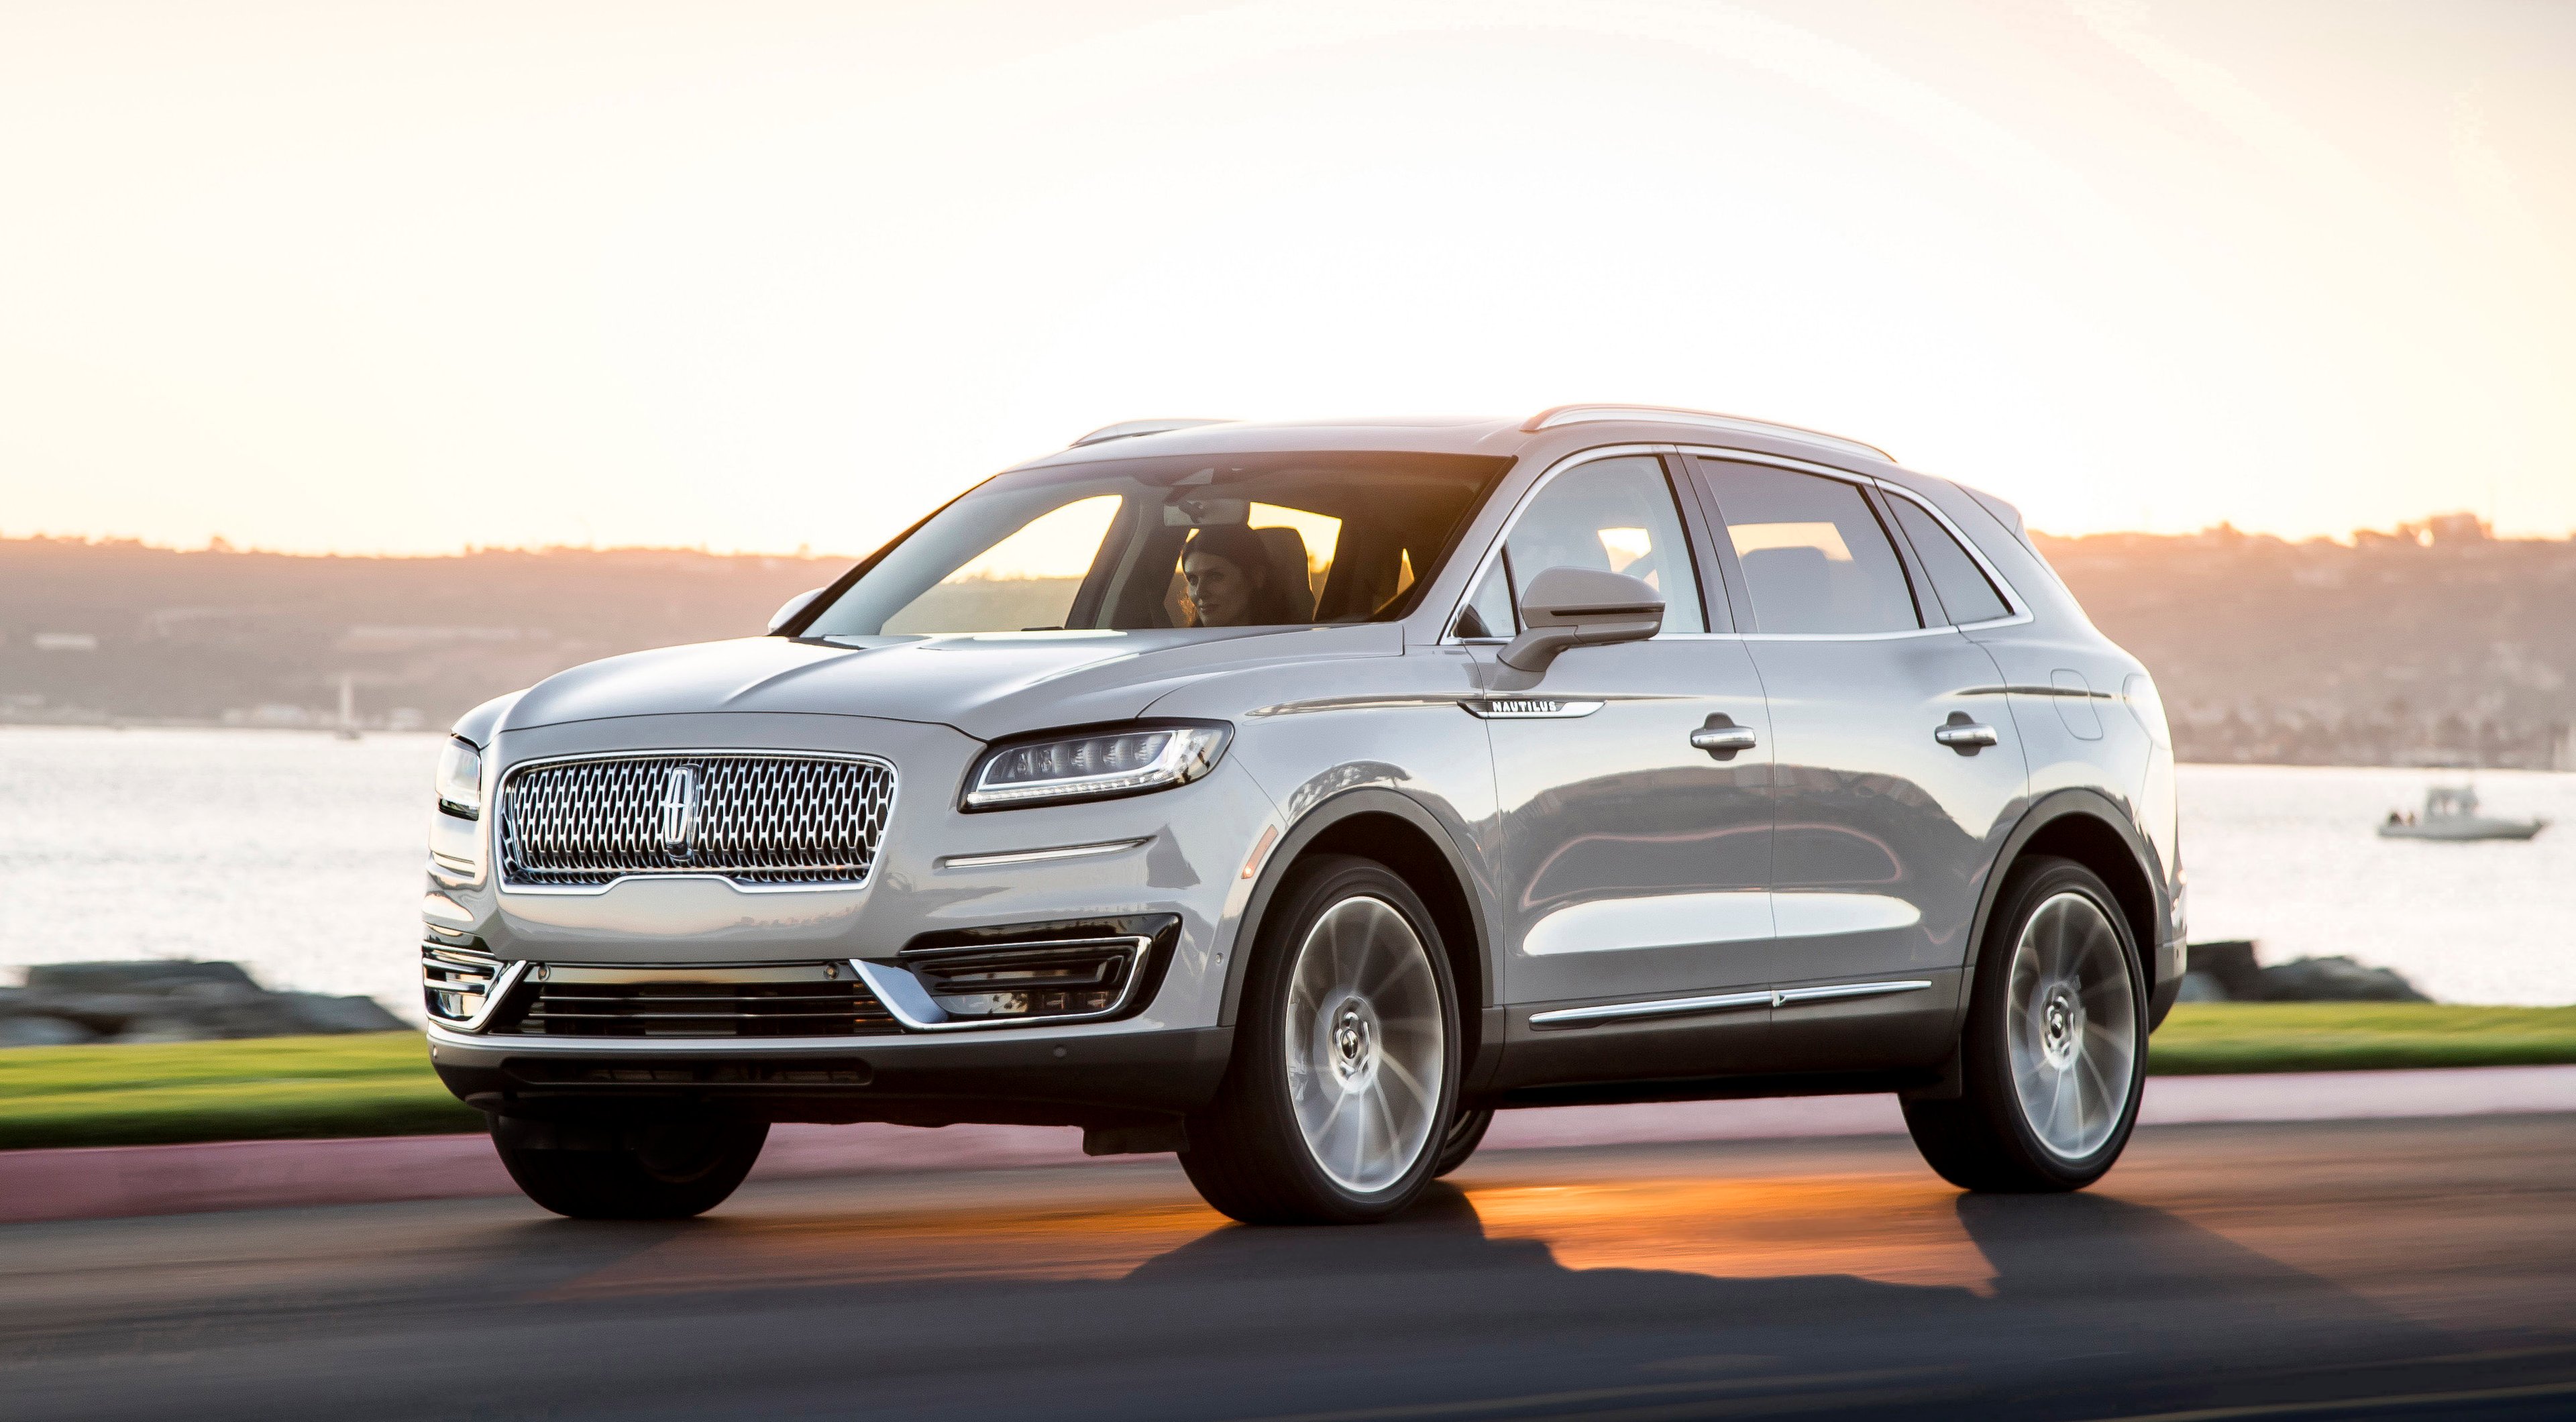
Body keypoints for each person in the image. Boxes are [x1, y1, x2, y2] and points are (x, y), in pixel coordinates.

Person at [1180, 524, 1290, 627]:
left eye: (1215, 577)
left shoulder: (1295, 640)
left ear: (1256, 577)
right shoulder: (1187, 645)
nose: (1199, 592)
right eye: (1193, 580)